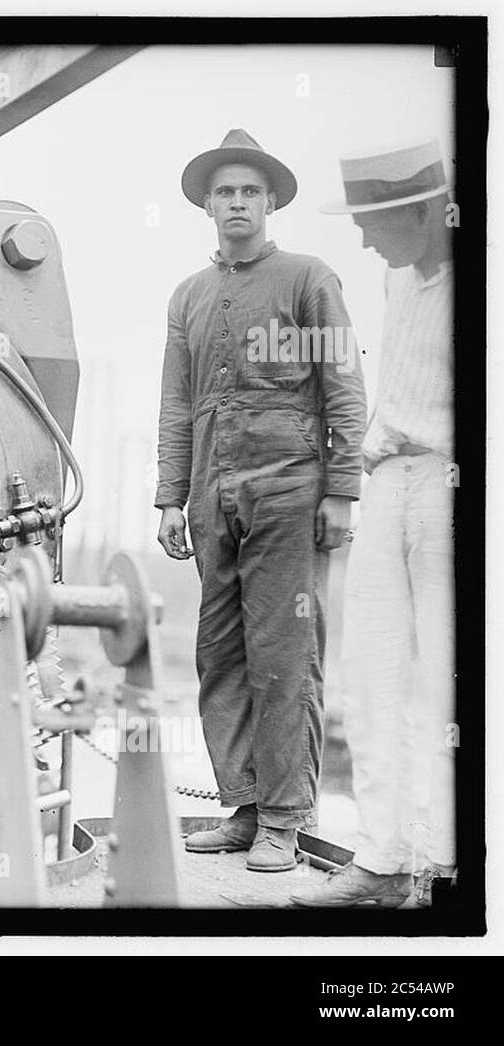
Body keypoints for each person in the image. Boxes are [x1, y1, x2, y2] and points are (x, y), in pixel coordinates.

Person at [155, 129, 368, 872]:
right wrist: (168, 497)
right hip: (214, 498)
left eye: (249, 191)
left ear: (270, 201)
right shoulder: (189, 296)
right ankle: (244, 808)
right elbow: (177, 408)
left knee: (284, 657)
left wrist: (343, 488)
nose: (237, 202)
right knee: (218, 655)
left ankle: (285, 817)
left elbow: (343, 385)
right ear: (207, 205)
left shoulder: (308, 279)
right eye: (224, 192)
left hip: (289, 490)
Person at [292, 140, 455, 908]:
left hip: (453, 483)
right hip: (386, 479)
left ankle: (448, 864)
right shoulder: (398, 277)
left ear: (423, 212)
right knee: (372, 676)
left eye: (374, 222)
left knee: (448, 686)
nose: (362, 239)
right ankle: (383, 860)